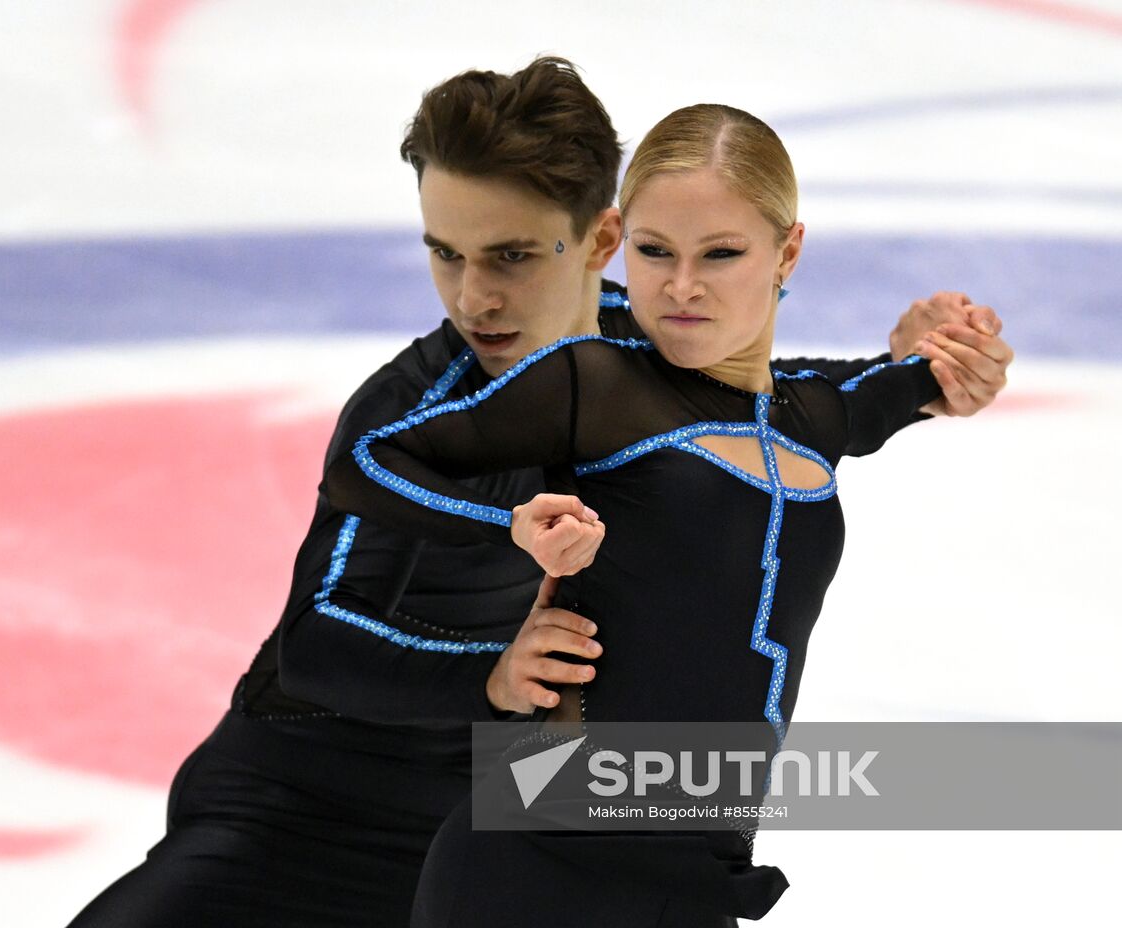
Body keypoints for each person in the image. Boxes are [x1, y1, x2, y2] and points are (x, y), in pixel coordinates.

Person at [65, 60, 1012, 928]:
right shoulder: (417, 407)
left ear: (599, 240)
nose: (472, 299)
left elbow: (767, 408)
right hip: (300, 811)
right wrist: (490, 663)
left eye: (512, 257)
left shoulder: (651, 349)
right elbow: (314, 646)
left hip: (533, 816)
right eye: (446, 254)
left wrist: (914, 366)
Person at [323, 101, 986, 926]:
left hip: (699, 876)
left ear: (788, 251)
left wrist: (949, 353)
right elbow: (366, 462)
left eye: (721, 254)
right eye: (654, 252)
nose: (680, 287)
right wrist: (510, 525)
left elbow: (914, 379)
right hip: (537, 855)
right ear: (616, 242)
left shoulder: (815, 417)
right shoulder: (592, 383)